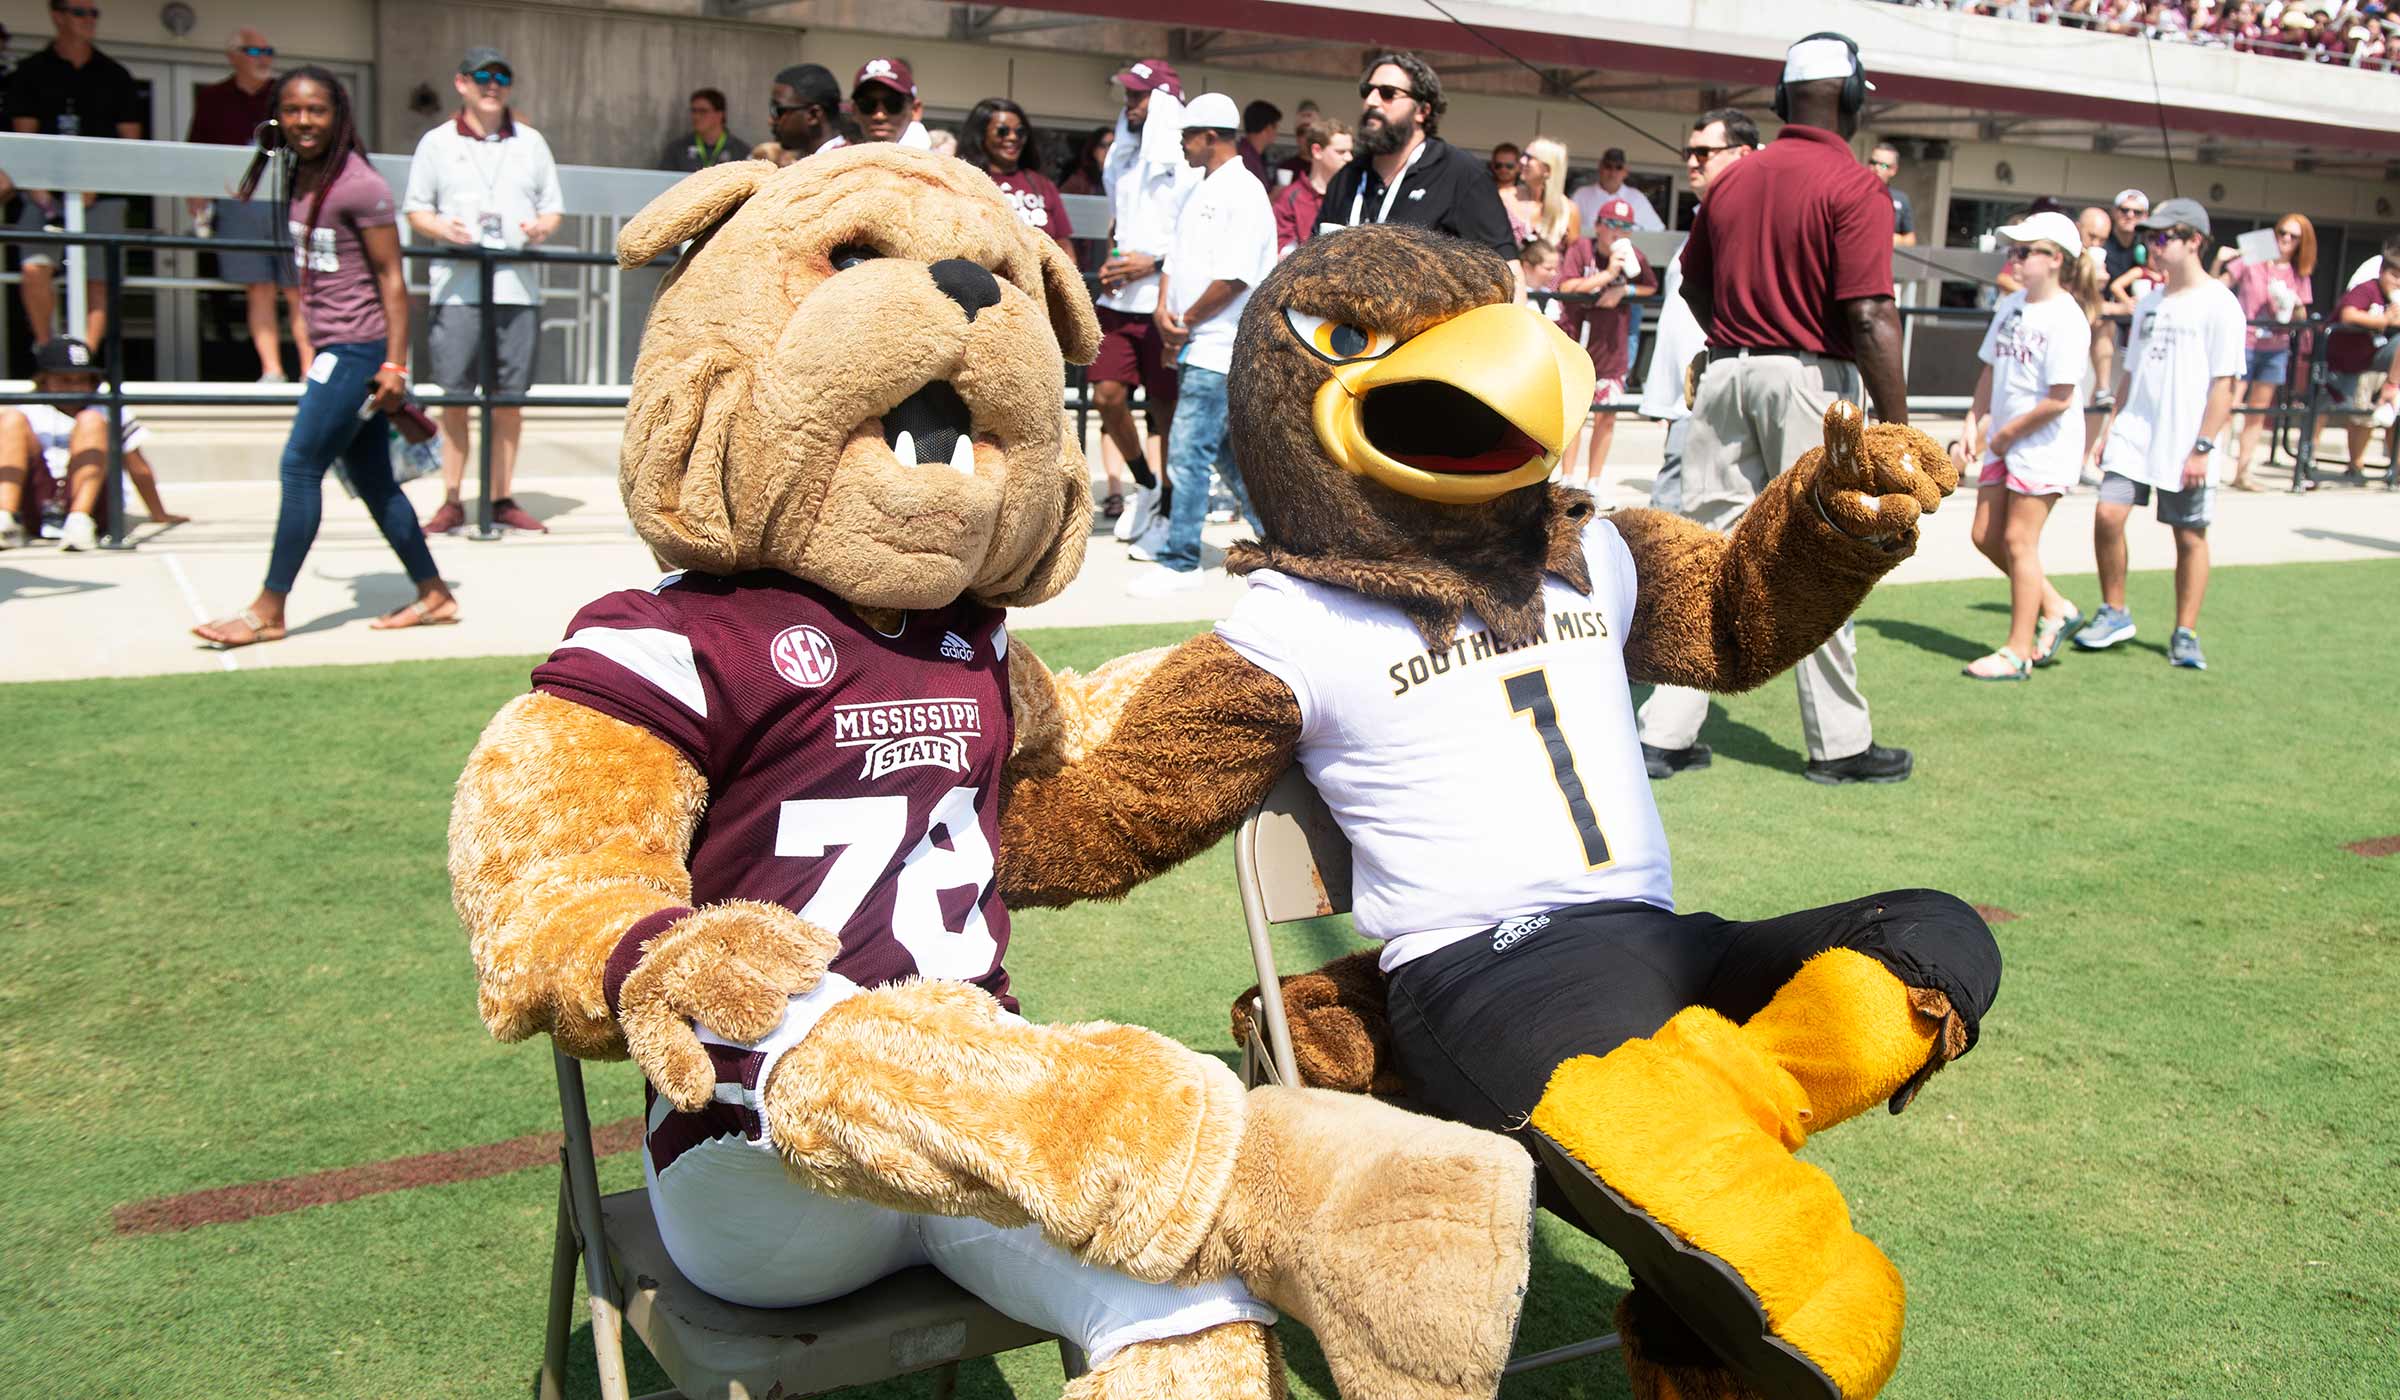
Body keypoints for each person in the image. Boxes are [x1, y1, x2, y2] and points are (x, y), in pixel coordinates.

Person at [1637, 32, 1915, 785]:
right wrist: (1900, 428)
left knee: (1709, 556)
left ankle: (1664, 732)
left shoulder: (1733, 181)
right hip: (1807, 379)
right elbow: (1868, 317)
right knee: (1824, 555)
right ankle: (1841, 745)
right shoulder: (1855, 183)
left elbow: (1690, 282)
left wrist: (1733, 333)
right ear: (1852, 97)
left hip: (1725, 373)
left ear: (1785, 99)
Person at [191, 68, 456, 649]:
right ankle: (435, 594)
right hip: (336, 347)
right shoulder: (302, 173)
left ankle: (269, 609)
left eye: (316, 111)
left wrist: (394, 364)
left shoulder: (359, 185)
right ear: (277, 117)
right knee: (374, 481)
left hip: (358, 351)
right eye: (292, 110)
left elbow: (393, 279)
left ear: (338, 116)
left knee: (299, 466)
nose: (304, 122)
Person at [2075, 197, 2244, 672]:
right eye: (2150, 236)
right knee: (2108, 514)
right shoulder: (2148, 302)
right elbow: (2131, 373)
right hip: (2134, 435)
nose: (2153, 244)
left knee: (2189, 535)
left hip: (2188, 443)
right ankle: (2115, 610)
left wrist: (2203, 447)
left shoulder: (2221, 305)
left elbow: (2224, 386)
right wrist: (2111, 427)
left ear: (2194, 241)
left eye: (2163, 236)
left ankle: (2185, 632)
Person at [404, 46, 564, 538]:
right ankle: (452, 499)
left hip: (517, 288)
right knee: (455, 396)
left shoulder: (532, 142)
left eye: (501, 76)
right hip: (458, 288)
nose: (491, 84)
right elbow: (416, 210)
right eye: (481, 76)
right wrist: (441, 230)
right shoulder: (436, 142)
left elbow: (553, 209)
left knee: (510, 398)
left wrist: (539, 228)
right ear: (461, 83)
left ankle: (500, 496)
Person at [1128, 92, 1274, 597]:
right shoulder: (1204, 187)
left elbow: (1235, 277)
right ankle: (1283, 544)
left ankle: (1180, 560)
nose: (1183, 145)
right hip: (1197, 342)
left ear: (1209, 136)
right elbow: (1177, 261)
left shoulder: (1245, 192)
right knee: (1227, 455)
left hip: (1221, 344)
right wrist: (1166, 312)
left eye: (1187, 136)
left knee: (1189, 452)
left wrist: (1183, 321)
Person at [1957, 211, 2095, 681]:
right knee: (1984, 535)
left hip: (2043, 446)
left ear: (2055, 259)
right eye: (2012, 251)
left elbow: (2060, 398)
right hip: (2005, 440)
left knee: (2019, 541)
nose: (2013, 260)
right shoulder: (2011, 305)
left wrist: (2008, 432)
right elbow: (1990, 369)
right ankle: (2055, 607)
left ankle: (2017, 652)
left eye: (2023, 251)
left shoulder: (2068, 318)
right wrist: (1972, 423)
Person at [1638, 108, 1759, 515]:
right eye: (1689, 152)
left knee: (1678, 519)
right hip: (1685, 398)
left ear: (1743, 154)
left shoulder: (1749, 219)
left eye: (1704, 152)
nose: (1692, 161)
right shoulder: (1701, 218)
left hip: (1715, 395)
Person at [5, 0, 145, 348]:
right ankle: (48, 353)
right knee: (35, 268)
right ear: (57, 17)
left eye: (94, 13)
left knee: (100, 277)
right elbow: (25, 137)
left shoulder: (114, 74)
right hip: (44, 193)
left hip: (103, 194)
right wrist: (39, 188)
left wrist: (97, 184)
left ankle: (83, 361)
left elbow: (131, 141)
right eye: (79, 12)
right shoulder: (31, 71)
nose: (89, 20)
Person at [1091, 58, 1190, 528]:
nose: (1130, 104)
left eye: (1139, 95)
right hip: (1117, 303)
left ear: (1166, 102)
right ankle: (1144, 480)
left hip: (1164, 303)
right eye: (1127, 95)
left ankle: (1166, 498)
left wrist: (1151, 264)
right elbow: (1119, 224)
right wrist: (1112, 261)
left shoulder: (1189, 164)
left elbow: (1197, 242)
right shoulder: (1120, 158)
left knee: (1164, 406)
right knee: (1106, 395)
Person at [1318, 52, 1518, 269]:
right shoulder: (1347, 178)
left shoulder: (1461, 174)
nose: (1371, 101)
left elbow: (1508, 270)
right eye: (1367, 91)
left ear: (1422, 111)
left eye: (1388, 93)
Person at [186, 28, 307, 382]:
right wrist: (197, 193)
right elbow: (198, 149)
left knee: (299, 288)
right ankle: (272, 370)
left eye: (268, 49)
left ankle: (310, 370)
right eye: (254, 50)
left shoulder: (286, 95)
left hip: (290, 200)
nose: (264, 57)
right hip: (239, 203)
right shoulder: (214, 97)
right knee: (258, 287)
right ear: (233, 55)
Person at [0, 336, 184, 550]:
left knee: (92, 420)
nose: (74, 387)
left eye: (82, 379)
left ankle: (79, 523)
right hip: (38, 503)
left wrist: (158, 513)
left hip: (93, 505)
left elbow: (138, 467)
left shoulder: (110, 410)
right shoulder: (28, 410)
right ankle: (5, 519)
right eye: (64, 380)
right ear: (44, 381)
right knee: (10, 418)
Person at [1553, 196, 1656, 489]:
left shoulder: (1633, 255)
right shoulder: (1581, 249)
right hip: (1577, 347)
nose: (1618, 232)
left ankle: (1594, 481)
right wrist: (1607, 276)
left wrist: (1625, 289)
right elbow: (1565, 286)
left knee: (1606, 417)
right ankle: (1569, 479)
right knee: (1574, 418)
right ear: (1598, 225)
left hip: (1613, 350)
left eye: (1625, 227)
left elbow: (1650, 286)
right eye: (1612, 224)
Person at [2211, 211, 2315, 490]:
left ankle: (2242, 472)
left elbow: (2302, 316)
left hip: (2276, 345)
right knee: (2228, 404)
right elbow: (2216, 288)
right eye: (2282, 232)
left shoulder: (2298, 273)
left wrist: (2293, 304)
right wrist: (2220, 259)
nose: (2285, 240)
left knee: (2257, 412)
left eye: (2294, 236)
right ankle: (2211, 465)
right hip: (2243, 341)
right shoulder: (2253, 259)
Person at [959, 98, 1072, 254]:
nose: (1013, 137)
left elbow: (1063, 244)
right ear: (981, 136)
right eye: (1002, 131)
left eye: (1020, 132)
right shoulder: (964, 181)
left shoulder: (1042, 184)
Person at [2324, 253, 2400, 479]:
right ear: (2381, 273)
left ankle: (2395, 469)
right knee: (2353, 414)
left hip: (2378, 362)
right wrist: (2384, 320)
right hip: (2342, 360)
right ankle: (2352, 466)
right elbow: (2348, 315)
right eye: (2394, 275)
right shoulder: (2366, 290)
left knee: (2389, 411)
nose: (2398, 282)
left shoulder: (2394, 299)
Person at [2076, 205, 2122, 479]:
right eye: (2091, 236)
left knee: (2097, 402)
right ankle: (1963, 452)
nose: (2096, 244)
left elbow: (2095, 309)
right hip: (2054, 339)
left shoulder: (2105, 261)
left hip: (2087, 336)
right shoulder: (2065, 256)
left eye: (2102, 239)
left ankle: (2084, 461)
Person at [1269, 117, 1348, 257]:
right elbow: (1280, 253)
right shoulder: (1290, 197)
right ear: (1317, 151)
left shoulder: (1354, 196)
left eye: (1350, 151)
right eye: (1341, 152)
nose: (1349, 157)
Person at [1568, 146, 1665, 234]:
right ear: (1600, 168)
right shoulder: (1582, 195)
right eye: (1608, 167)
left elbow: (1658, 231)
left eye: (1618, 168)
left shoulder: (1636, 198)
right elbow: (1566, 228)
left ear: (1625, 172)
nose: (1613, 173)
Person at [1504, 137, 1579, 249]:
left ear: (1547, 169)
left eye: (1529, 158)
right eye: (1523, 155)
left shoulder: (1568, 211)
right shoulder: (1504, 198)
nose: (1522, 161)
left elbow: (1572, 259)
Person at [766, 63, 844, 161]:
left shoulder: (845, 168)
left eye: (778, 111)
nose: (770, 121)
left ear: (813, 115)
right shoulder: (812, 165)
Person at [850, 57, 929, 147]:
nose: (879, 116)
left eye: (893, 104)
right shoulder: (836, 159)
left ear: (915, 110)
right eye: (867, 104)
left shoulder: (935, 160)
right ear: (854, 111)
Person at [661, 87, 745, 172]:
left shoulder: (741, 151)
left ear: (720, 114)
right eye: (694, 111)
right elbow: (664, 181)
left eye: (703, 111)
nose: (696, 116)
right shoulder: (677, 149)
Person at [1869, 141, 1916, 247]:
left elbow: (1910, 239)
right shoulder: (1854, 193)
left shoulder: (1901, 199)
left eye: (1883, 165)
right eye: (1872, 162)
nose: (1876, 168)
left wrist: (1892, 239)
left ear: (1893, 170)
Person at [1058, 124, 1112, 195]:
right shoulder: (1079, 179)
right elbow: (1059, 201)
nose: (1108, 150)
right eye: (1102, 145)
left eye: (1111, 144)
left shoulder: (1125, 175)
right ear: (1093, 150)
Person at [1235, 99, 1279, 185]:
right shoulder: (1245, 160)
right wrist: (1277, 193)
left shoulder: (1249, 154)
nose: (1276, 133)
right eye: (1275, 127)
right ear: (1267, 128)